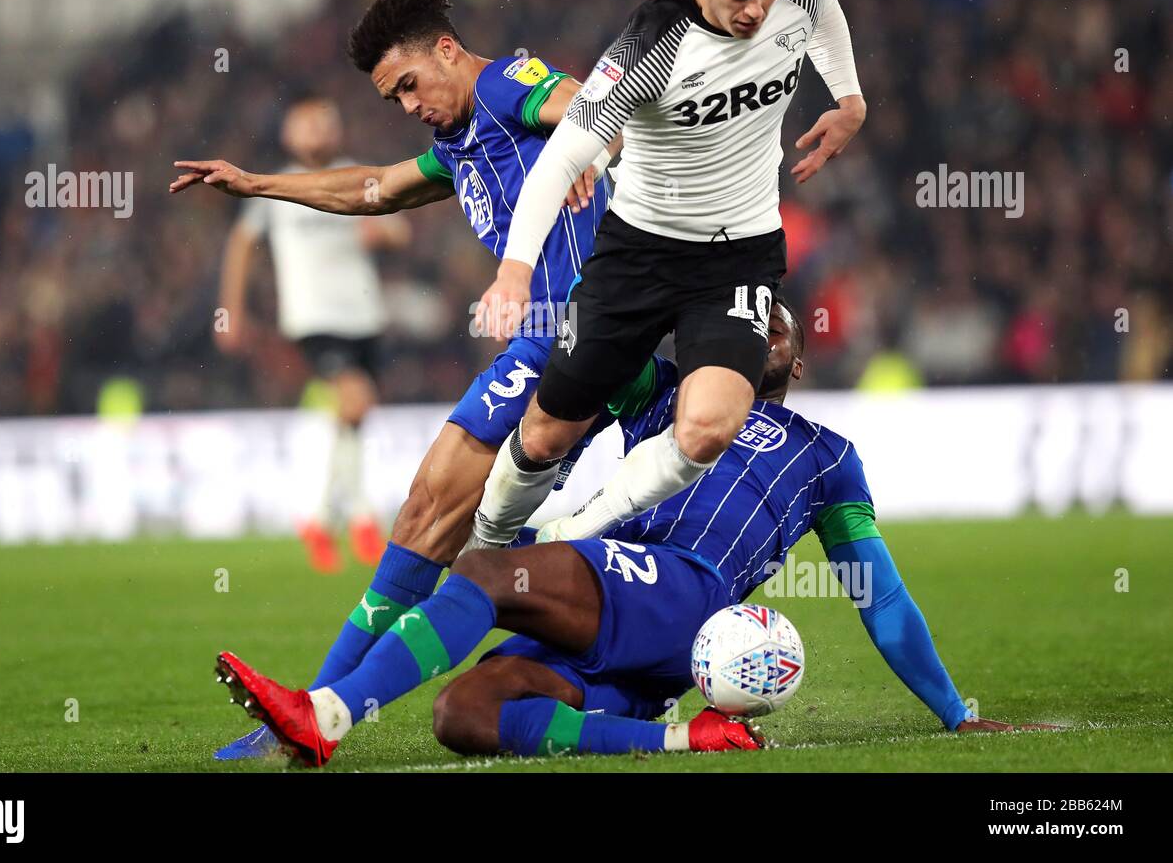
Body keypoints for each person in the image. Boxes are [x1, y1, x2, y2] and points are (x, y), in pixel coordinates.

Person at [214, 300, 1050, 767]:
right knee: (463, 714)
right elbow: (591, 355)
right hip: (629, 633)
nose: (760, 328)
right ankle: (683, 736)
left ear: (794, 364)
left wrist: (952, 713)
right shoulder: (666, 394)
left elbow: (883, 595)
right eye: (743, 320)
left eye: (776, 326)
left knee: (493, 572)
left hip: (684, 590)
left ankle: (325, 715)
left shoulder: (828, 456)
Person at [171, 0, 617, 760]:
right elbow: (373, 187)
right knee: (437, 522)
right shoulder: (459, 141)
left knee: (440, 520)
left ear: (446, 51)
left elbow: (587, 101)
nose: (408, 105)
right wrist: (257, 182)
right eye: (393, 99)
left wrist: (584, 142)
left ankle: (315, 717)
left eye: (409, 84)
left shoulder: (504, 85)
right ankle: (312, 716)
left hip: (571, 335)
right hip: (551, 344)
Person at [470, 0, 868, 555]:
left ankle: (568, 539)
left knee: (708, 427)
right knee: (545, 434)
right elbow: (566, 151)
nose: (757, 10)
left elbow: (821, 5)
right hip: (640, 254)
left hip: (740, 256)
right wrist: (514, 271)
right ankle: (485, 544)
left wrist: (849, 97)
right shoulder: (653, 40)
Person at [214, 95, 408, 572]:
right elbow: (241, 244)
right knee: (355, 400)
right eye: (309, 122)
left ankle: (330, 519)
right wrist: (230, 309)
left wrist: (380, 232)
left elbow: (400, 231)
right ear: (288, 132)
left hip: (364, 315)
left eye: (327, 120)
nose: (319, 130)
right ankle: (347, 515)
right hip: (313, 318)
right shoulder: (276, 186)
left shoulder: (356, 177)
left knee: (354, 417)